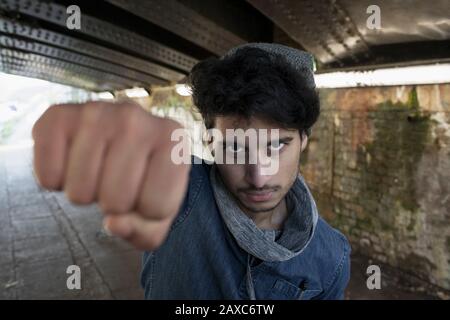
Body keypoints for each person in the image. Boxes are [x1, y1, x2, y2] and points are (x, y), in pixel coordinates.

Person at [32, 43, 351, 300]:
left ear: (304, 140)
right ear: (211, 143)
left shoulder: (331, 258)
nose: (258, 176)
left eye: (277, 145)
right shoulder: (179, 192)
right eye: (235, 147)